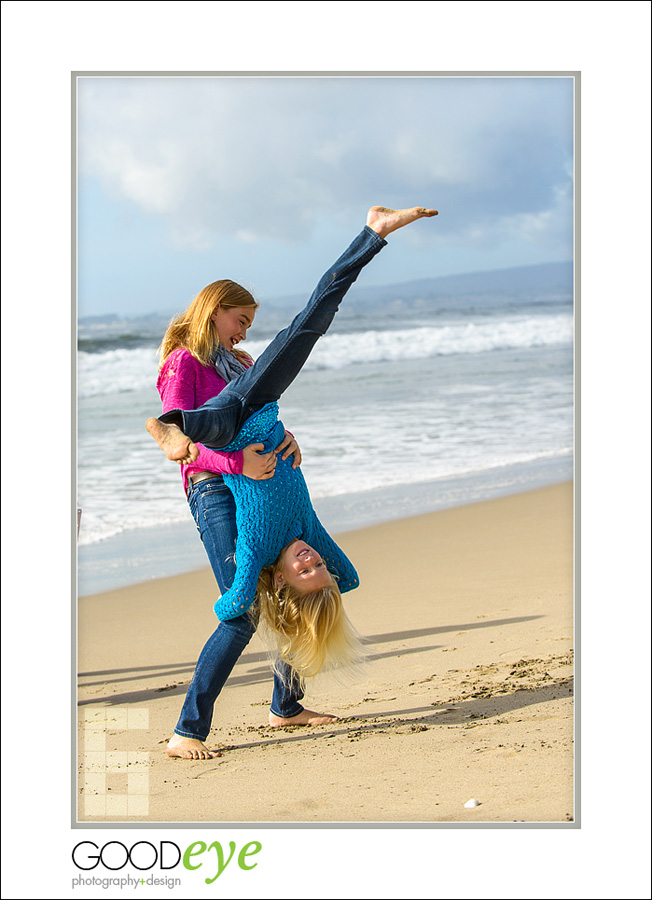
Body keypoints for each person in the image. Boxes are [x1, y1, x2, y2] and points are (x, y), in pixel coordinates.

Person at [148, 205, 438, 759]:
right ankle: (188, 730)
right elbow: (193, 457)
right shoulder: (184, 363)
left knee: (287, 587)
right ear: (214, 311)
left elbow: (261, 419)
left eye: (250, 325)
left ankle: (287, 704)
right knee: (242, 612)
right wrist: (237, 463)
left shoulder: (240, 362)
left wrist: (287, 442)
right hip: (213, 488)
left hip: (256, 473)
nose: (245, 331)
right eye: (240, 320)